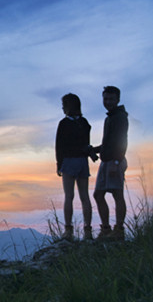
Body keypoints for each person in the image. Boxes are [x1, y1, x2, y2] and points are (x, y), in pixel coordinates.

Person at [55, 93, 97, 240]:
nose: (62, 108)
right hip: (82, 162)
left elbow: (59, 146)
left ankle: (68, 230)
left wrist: (59, 164)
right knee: (85, 197)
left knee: (69, 196)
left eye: (63, 105)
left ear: (68, 107)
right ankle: (88, 230)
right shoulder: (84, 123)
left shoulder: (64, 124)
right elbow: (86, 144)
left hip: (68, 162)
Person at [92, 86, 129, 240]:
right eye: (105, 99)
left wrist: (116, 161)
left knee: (117, 194)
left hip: (114, 161)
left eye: (111, 99)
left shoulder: (120, 117)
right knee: (98, 194)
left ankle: (118, 230)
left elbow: (121, 141)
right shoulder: (110, 118)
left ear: (118, 100)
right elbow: (108, 143)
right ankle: (106, 229)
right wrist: (94, 149)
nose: (108, 102)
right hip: (106, 161)